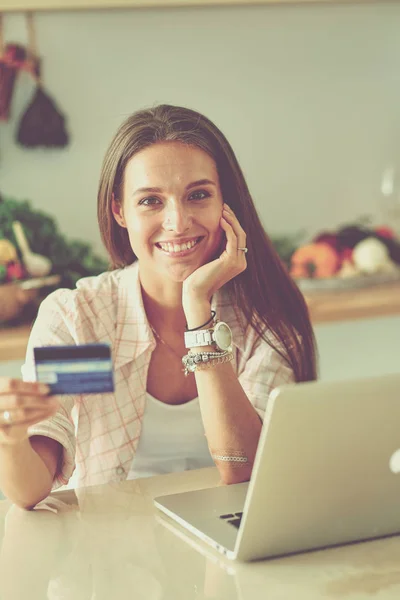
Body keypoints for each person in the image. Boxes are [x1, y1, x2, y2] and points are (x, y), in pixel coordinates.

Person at [0, 104, 317, 509]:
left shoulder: (264, 317)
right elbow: (31, 490)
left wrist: (198, 310)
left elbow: (245, 469)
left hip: (232, 545)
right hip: (109, 555)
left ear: (227, 203)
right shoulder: (84, 320)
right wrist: (10, 438)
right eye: (151, 201)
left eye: (198, 195)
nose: (178, 221)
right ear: (120, 210)